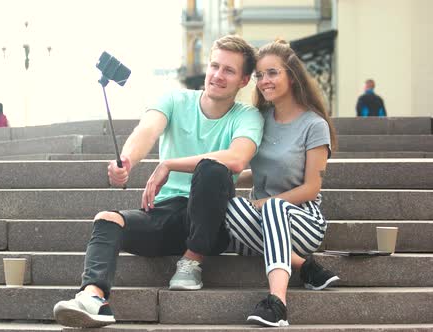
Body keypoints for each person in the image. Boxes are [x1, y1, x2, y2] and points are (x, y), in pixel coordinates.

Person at [53, 34, 264, 328]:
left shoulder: (248, 116)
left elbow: (237, 159)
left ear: (243, 81)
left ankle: (193, 260)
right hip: (167, 215)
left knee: (212, 169)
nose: (217, 75)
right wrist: (127, 160)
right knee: (107, 219)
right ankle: (93, 298)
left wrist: (169, 164)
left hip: (212, 221)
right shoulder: (175, 99)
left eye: (229, 70)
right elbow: (148, 130)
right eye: (215, 66)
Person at [224, 40, 340, 327]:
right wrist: (229, 176)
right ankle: (304, 265)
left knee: (274, 207)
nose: (264, 81)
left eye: (272, 73)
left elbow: (312, 187)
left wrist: (265, 203)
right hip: (263, 222)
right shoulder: (259, 118)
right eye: (260, 75)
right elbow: (259, 170)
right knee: (225, 207)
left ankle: (277, 304)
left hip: (303, 220)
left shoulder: (315, 125)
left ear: (291, 75)